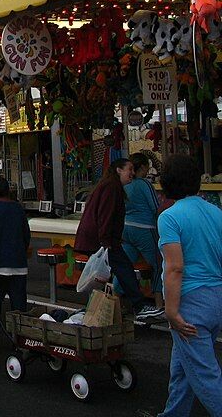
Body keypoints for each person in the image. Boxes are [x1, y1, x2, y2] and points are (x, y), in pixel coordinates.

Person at [157, 154, 222, 417]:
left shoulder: (170, 217)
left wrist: (171, 312)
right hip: (216, 297)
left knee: (206, 375)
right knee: (183, 369)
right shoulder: (216, 212)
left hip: (189, 301)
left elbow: (175, 267)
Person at [74, 158, 163, 321]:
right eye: (129, 169)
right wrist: (106, 242)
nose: (132, 173)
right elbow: (105, 216)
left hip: (101, 239)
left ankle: (96, 309)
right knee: (124, 269)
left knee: (117, 271)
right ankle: (139, 306)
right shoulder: (112, 188)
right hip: (104, 241)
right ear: (118, 170)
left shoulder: (109, 186)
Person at [0, 176, 30, 349]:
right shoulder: (18, 209)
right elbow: (26, 235)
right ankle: (21, 340)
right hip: (18, 264)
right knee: (19, 306)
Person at [121, 153, 163, 310]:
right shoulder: (145, 184)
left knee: (124, 266)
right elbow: (155, 207)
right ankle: (159, 304)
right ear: (144, 167)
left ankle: (115, 299)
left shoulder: (125, 184)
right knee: (158, 265)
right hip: (145, 230)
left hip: (126, 229)